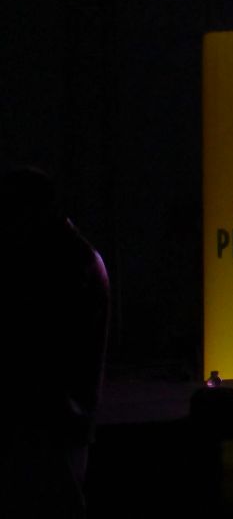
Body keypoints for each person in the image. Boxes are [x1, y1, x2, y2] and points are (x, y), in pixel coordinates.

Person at [2, 165, 109, 516]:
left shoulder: (64, 263)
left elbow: (38, 347)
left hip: (50, 421)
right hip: (61, 419)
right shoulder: (74, 258)